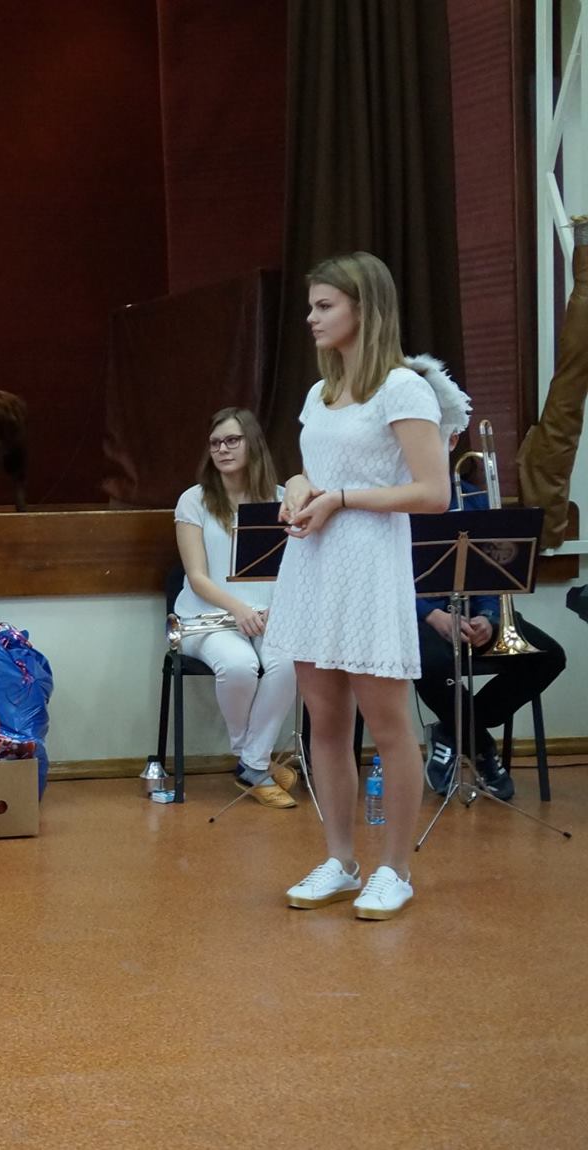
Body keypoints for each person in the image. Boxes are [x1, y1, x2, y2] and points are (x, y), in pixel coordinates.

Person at [266, 252, 451, 922]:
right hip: (314, 564)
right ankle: (340, 860)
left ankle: (394, 869)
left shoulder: (402, 388)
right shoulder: (320, 392)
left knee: (389, 725)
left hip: (369, 565)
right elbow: (313, 469)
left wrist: (342, 498)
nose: (311, 318)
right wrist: (297, 487)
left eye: (325, 306)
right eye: (311, 306)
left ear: (364, 309)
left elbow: (433, 492)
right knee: (325, 721)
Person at [414, 430, 568, 801]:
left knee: (549, 657)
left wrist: (488, 616)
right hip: (417, 616)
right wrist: (432, 615)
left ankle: (453, 734)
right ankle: (481, 747)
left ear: (453, 440)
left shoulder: (475, 500)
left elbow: (492, 571)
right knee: (432, 665)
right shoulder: (393, 504)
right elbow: (384, 578)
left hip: (472, 611)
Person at [173, 408, 299, 808]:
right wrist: (240, 610)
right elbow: (198, 577)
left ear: (252, 444)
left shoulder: (281, 498)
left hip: (267, 616)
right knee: (240, 665)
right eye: (215, 443)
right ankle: (254, 761)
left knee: (289, 663)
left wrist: (275, 610)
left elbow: (294, 569)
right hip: (206, 618)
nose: (222, 449)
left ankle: (252, 763)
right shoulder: (194, 500)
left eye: (232, 440)